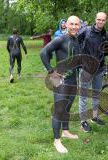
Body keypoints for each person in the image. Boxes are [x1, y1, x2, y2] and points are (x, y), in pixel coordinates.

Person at [40, 16, 81, 154]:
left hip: (73, 80)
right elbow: (43, 53)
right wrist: (51, 72)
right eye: (72, 24)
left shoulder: (76, 39)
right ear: (66, 25)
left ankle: (65, 131)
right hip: (61, 81)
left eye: (77, 24)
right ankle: (57, 140)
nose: (74, 26)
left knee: (67, 107)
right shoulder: (60, 39)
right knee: (59, 110)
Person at [77, 12, 108, 132]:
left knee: (96, 93)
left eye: (103, 20)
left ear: (106, 21)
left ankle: (94, 116)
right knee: (83, 95)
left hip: (99, 69)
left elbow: (107, 49)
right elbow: (75, 42)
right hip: (86, 69)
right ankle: (83, 121)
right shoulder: (85, 31)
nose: (100, 22)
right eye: (98, 19)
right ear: (95, 19)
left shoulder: (106, 34)